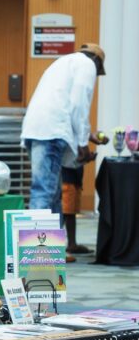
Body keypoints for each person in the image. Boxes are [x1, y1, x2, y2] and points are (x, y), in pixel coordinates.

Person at [21, 43, 105, 213]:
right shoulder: (87, 64)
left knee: (52, 194)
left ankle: (53, 240)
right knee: (44, 193)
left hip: (35, 129)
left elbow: (62, 106)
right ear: (96, 60)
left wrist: (86, 135)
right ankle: (36, 240)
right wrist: (82, 144)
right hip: (51, 133)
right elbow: (78, 105)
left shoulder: (62, 62)